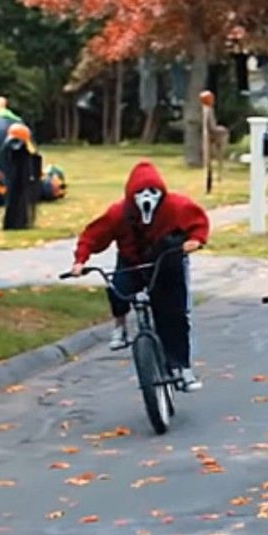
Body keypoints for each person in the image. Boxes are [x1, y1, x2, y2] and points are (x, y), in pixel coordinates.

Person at [69, 161, 209, 391]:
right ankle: (120, 325)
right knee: (117, 290)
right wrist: (80, 261)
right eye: (140, 193)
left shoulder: (176, 206)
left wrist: (196, 240)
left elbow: (198, 222)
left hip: (165, 263)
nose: (147, 198)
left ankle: (183, 369)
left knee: (174, 318)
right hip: (131, 262)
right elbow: (93, 236)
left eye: (153, 193)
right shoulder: (118, 213)